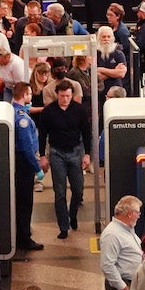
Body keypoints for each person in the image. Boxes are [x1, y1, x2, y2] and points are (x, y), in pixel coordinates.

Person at [38, 79, 90, 241]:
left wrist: (87, 154)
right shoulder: (49, 112)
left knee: (78, 189)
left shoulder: (79, 110)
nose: (65, 99)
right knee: (59, 192)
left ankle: (72, 214)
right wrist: (42, 156)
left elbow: (87, 133)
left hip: (75, 151)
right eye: (62, 96)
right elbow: (42, 135)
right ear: (57, 95)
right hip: (57, 153)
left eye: (68, 96)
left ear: (72, 95)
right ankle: (63, 226)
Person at [9, 81, 42, 251]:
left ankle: (21, 234)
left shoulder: (11, 111)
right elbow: (26, 146)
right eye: (29, 93)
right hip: (24, 164)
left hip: (16, 163)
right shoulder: (22, 118)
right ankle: (24, 238)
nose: (31, 96)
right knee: (24, 202)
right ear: (24, 95)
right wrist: (37, 168)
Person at [100, 195, 145, 290]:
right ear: (130, 214)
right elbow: (107, 265)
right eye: (138, 213)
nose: (139, 216)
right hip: (123, 286)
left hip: (132, 284)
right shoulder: (112, 234)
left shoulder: (128, 230)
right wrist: (122, 287)